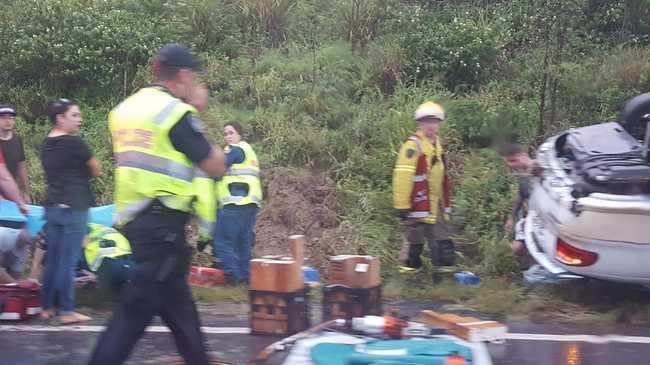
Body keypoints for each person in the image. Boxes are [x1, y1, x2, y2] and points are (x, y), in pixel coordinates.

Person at [88, 43, 225, 365]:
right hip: (161, 229)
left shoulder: (125, 110)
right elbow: (215, 166)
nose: (196, 84)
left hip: (138, 224)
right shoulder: (175, 114)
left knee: (182, 313)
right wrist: (197, 113)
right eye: (194, 77)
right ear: (184, 75)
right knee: (132, 314)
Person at [39, 98, 102, 324]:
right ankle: (67, 310)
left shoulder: (45, 143)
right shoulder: (75, 143)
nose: (79, 119)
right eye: (74, 115)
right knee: (68, 261)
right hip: (74, 207)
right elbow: (96, 169)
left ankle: (46, 307)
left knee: (53, 260)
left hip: (53, 207)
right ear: (60, 118)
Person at [392, 101, 454, 273]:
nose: (430, 126)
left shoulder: (437, 145)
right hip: (417, 203)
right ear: (420, 123)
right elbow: (403, 176)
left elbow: (441, 177)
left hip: (435, 204)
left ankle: (443, 281)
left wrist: (445, 204)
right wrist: (402, 205)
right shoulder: (413, 145)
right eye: (426, 122)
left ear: (439, 124)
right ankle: (409, 281)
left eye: (434, 122)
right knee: (414, 245)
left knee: (443, 244)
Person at [213, 121, 262, 284]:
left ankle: (234, 277)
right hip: (250, 204)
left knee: (222, 241)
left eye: (231, 133)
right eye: (225, 133)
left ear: (240, 134)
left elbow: (219, 168)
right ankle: (247, 279)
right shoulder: (249, 152)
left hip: (235, 203)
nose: (228, 137)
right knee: (243, 243)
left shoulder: (236, 150)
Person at [499, 143, 536, 264]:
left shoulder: (539, 170)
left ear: (524, 156)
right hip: (531, 218)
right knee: (517, 249)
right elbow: (521, 195)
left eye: (513, 160)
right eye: (508, 162)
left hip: (546, 220)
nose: (511, 165)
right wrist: (511, 217)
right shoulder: (521, 173)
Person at [0, 105, 31, 202]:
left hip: (11, 194)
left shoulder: (17, 140)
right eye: (4, 118)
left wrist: (26, 193)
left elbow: (21, 167)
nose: (8, 121)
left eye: (11, 118)